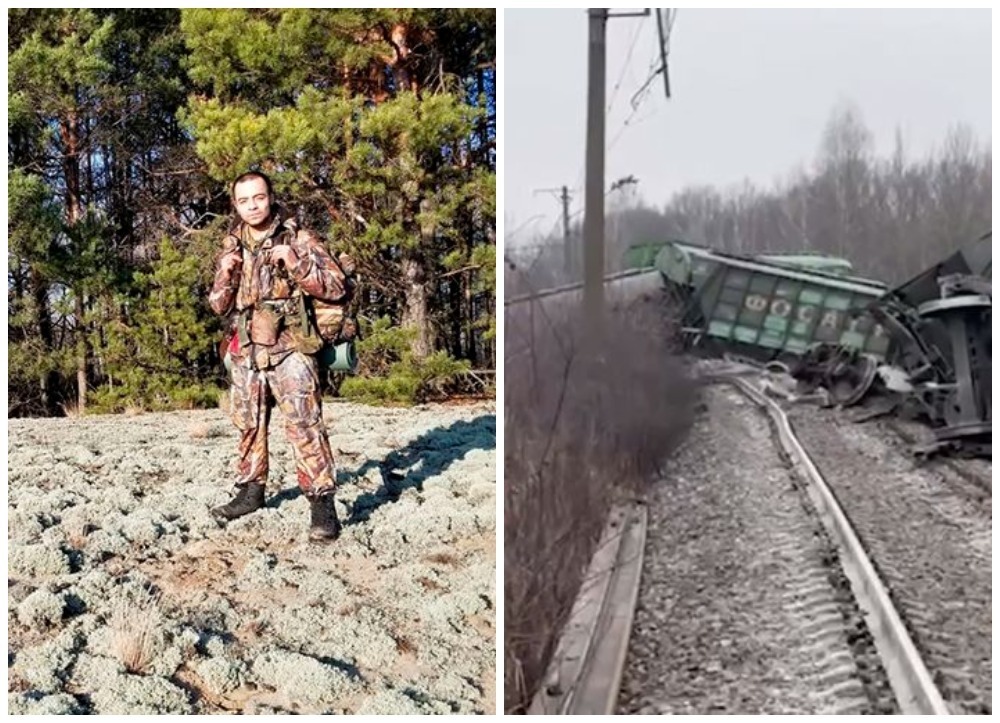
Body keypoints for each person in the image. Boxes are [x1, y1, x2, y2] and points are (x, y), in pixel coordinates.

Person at [208, 170, 349, 541]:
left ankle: (322, 505)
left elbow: (336, 287)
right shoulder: (232, 245)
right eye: (244, 200)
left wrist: (296, 262)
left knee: (305, 424)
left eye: (259, 197)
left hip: (291, 347)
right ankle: (250, 492)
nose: (252, 206)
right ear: (235, 204)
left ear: (270, 197)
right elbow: (219, 306)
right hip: (247, 349)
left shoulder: (298, 237)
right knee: (248, 424)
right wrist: (225, 275)